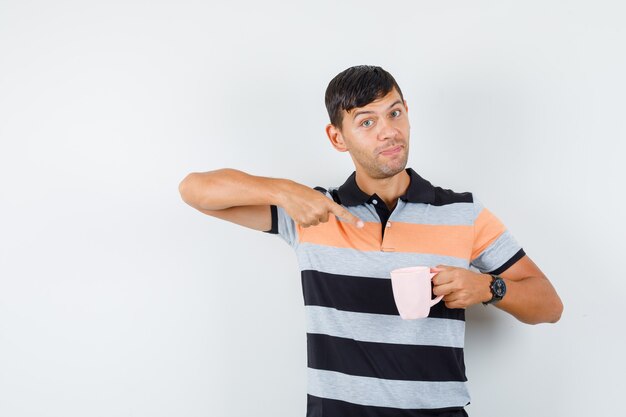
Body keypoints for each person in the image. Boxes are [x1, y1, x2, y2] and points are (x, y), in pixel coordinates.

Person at [178, 65, 563, 417]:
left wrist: (488, 287)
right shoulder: (312, 212)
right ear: (337, 137)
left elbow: (549, 305)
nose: (388, 131)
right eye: (366, 122)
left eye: (395, 113)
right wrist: (283, 191)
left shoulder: (463, 213)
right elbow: (195, 190)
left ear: (408, 112)